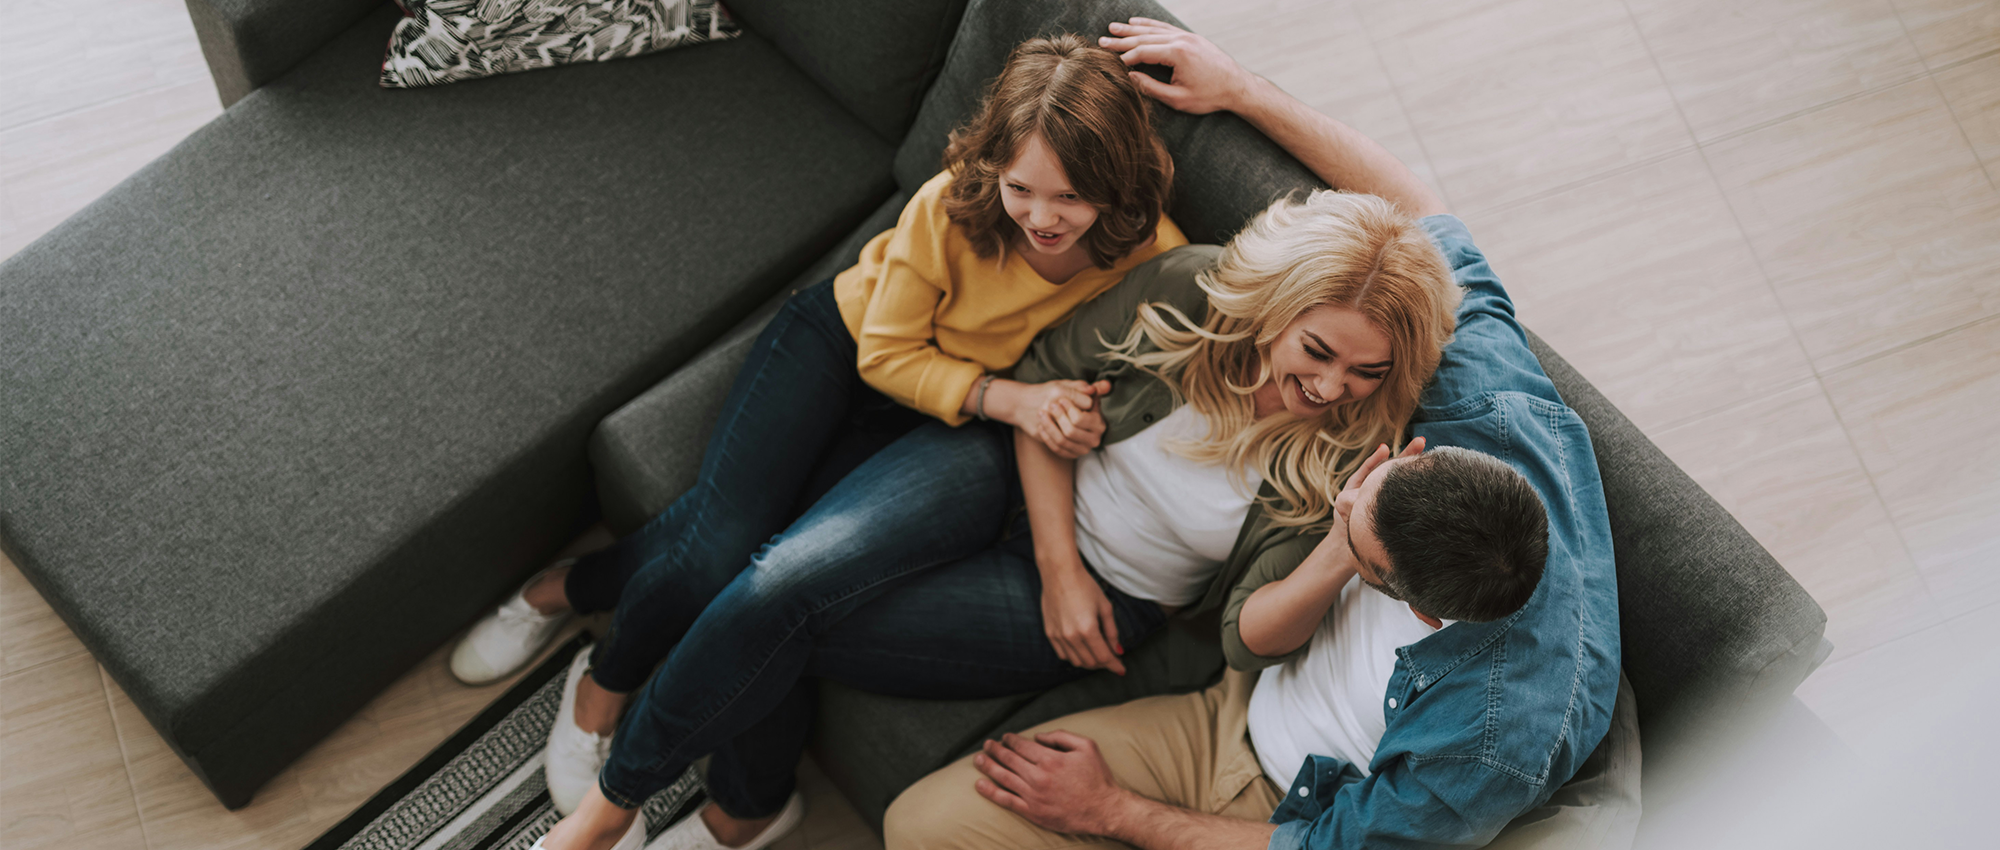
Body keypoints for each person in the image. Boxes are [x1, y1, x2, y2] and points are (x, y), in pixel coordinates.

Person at [538, 164, 1468, 848]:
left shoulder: (1351, 457)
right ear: (1271, 306)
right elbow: (1045, 375)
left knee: (781, 619)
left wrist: (1334, 549)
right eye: (1316, 351)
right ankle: (613, 810)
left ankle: (740, 809)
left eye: (1366, 371)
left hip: (1107, 600)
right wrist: (1057, 561)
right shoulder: (1190, 288)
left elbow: (1243, 638)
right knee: (778, 580)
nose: (1329, 388)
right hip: (1012, 471)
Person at [882, 17, 1620, 850]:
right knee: (918, 822)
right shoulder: (1492, 408)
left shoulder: (1493, 743)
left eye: (1356, 545)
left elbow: (1326, 845)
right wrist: (1241, 90)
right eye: (1369, 492)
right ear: (1423, 455)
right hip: (1227, 711)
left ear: (1405, 602)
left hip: (1286, 805)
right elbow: (1426, 215)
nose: (1332, 395)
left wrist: (1111, 812)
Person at [457, 34, 1184, 850]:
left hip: (950, 424)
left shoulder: (1154, 257)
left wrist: (1064, 414)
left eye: (1071, 198)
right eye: (1022, 189)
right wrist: (1012, 397)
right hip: (848, 349)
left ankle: (577, 607)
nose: (1042, 219)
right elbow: (887, 355)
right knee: (714, 547)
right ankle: (597, 666)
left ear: (1115, 182)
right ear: (996, 168)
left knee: (769, 568)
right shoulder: (953, 204)